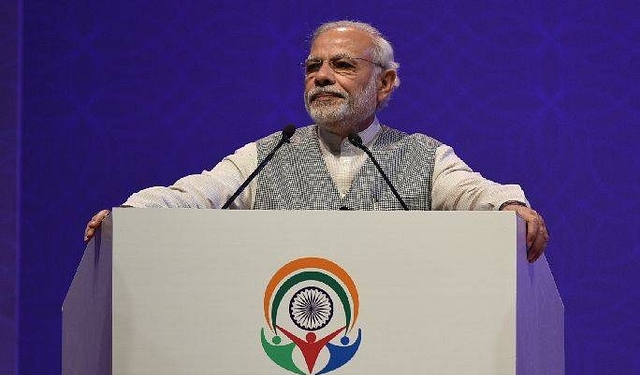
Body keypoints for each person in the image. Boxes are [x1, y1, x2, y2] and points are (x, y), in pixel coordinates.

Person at [84, 20, 549, 262]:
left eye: (342, 66)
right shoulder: (267, 156)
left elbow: (475, 194)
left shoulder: (424, 157)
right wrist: (134, 216)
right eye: (313, 67)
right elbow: (198, 194)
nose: (322, 77)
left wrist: (512, 210)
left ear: (385, 84)